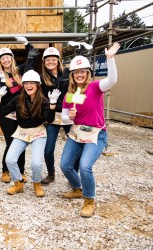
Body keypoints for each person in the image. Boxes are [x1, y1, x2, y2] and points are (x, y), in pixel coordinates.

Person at [60, 43, 121, 217]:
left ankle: (89, 199)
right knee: (65, 165)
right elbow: (64, 118)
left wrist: (110, 59)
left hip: (96, 133)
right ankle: (78, 188)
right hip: (77, 132)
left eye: (83, 71)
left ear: (87, 73)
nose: (79, 74)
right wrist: (69, 117)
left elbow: (112, 80)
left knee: (86, 166)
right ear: (72, 75)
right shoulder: (69, 95)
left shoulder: (95, 87)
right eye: (76, 72)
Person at [0, 70, 61, 197]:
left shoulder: (43, 101)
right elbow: (1, 113)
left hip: (38, 132)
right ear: (23, 85)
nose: (29, 86)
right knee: (10, 159)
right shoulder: (18, 99)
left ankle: (37, 184)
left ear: (37, 85)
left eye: (32, 83)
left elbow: (49, 119)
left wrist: (52, 105)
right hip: (22, 132)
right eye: (26, 83)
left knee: (36, 163)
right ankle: (18, 183)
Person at [0, 36, 39, 183]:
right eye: (3, 58)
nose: (6, 60)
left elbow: (33, 55)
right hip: (6, 113)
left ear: (11, 59)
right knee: (10, 142)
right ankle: (5, 170)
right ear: (0, 61)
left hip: (21, 112)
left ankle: (21, 171)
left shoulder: (20, 70)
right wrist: (1, 83)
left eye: (8, 57)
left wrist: (26, 43)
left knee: (21, 141)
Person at [40, 47, 79, 185]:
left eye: (53, 59)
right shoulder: (42, 78)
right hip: (53, 115)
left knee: (77, 143)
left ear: (58, 60)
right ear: (44, 62)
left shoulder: (68, 72)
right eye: (48, 60)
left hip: (69, 113)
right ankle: (51, 173)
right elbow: (42, 97)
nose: (51, 62)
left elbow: (78, 86)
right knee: (48, 148)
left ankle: (74, 172)